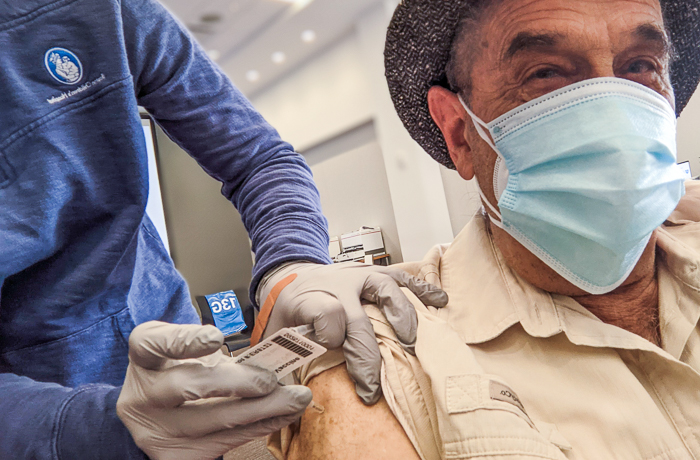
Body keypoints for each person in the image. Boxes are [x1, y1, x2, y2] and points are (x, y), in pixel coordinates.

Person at [0, 0, 448, 459]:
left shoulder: (100, 11)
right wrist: (86, 429)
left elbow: (260, 160)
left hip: (190, 365)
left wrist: (293, 263)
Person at [267, 0, 700, 458]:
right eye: (546, 73)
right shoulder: (394, 353)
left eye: (640, 65)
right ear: (458, 132)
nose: (614, 117)